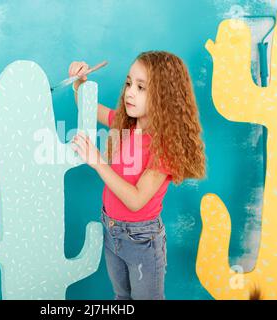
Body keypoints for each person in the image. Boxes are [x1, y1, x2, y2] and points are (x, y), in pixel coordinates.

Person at [69, 51, 206, 300]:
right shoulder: (125, 124)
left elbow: (136, 200)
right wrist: (79, 82)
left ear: (164, 97)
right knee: (122, 298)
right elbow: (86, 106)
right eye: (129, 83)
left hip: (142, 241)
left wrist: (98, 163)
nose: (130, 92)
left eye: (141, 87)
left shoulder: (164, 146)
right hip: (111, 230)